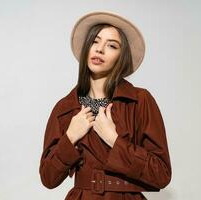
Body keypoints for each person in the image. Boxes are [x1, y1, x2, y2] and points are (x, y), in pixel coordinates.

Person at [39, 11, 172, 200]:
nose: (99, 49)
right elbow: (48, 178)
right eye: (95, 41)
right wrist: (70, 137)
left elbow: (161, 175)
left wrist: (114, 140)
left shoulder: (140, 101)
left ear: (121, 56)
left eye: (111, 45)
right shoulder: (65, 108)